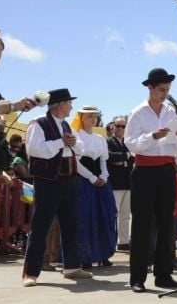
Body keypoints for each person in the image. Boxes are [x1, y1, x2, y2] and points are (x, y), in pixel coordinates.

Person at [125, 68, 177, 293]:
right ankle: (137, 278)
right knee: (142, 224)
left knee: (166, 223)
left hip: (166, 170)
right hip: (144, 171)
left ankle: (163, 274)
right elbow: (130, 143)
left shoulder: (171, 112)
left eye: (167, 90)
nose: (164, 93)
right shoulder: (138, 113)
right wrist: (152, 136)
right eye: (161, 89)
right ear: (150, 87)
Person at [22, 88, 92, 287]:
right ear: (61, 104)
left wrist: (71, 143)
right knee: (40, 227)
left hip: (69, 180)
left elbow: (80, 150)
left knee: (70, 225)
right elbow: (35, 150)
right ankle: (30, 273)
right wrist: (60, 142)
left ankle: (71, 267)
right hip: (48, 181)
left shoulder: (65, 125)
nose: (71, 107)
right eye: (69, 103)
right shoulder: (38, 123)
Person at [71, 105, 117, 268]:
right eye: (90, 116)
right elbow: (75, 161)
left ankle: (104, 254)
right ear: (81, 117)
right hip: (83, 182)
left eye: (95, 116)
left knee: (105, 216)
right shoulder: (76, 136)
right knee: (85, 217)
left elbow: (104, 160)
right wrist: (91, 177)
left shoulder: (100, 138)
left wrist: (103, 176)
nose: (93, 119)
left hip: (101, 183)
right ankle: (85, 257)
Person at [106, 115, 134, 251]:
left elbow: (134, 158)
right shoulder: (108, 142)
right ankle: (110, 242)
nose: (121, 129)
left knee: (125, 215)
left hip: (128, 183)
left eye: (124, 126)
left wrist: (122, 161)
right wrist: (127, 157)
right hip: (114, 183)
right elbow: (109, 156)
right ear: (113, 127)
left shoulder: (128, 142)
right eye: (118, 126)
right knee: (113, 214)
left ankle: (123, 241)